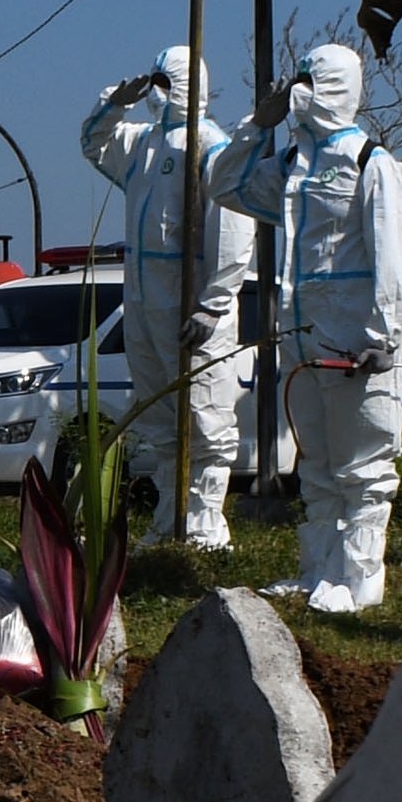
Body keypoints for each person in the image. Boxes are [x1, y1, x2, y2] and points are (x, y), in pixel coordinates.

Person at [204, 44, 402, 614]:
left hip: (356, 341)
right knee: (318, 465)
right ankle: (321, 569)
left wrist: (384, 336)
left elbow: (396, 255)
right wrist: (255, 126)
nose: (299, 91)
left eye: (308, 81)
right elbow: (223, 186)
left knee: (364, 464)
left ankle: (362, 577)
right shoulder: (295, 167)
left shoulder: (371, 161)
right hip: (304, 337)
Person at [81, 50, 252, 547]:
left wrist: (212, 303)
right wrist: (114, 104)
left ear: (184, 84)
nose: (154, 91)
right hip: (143, 302)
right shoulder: (142, 144)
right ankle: (169, 518)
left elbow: (231, 231)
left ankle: (204, 524)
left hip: (190, 306)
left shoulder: (210, 147)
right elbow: (93, 144)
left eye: (162, 81)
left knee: (204, 412)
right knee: (161, 415)